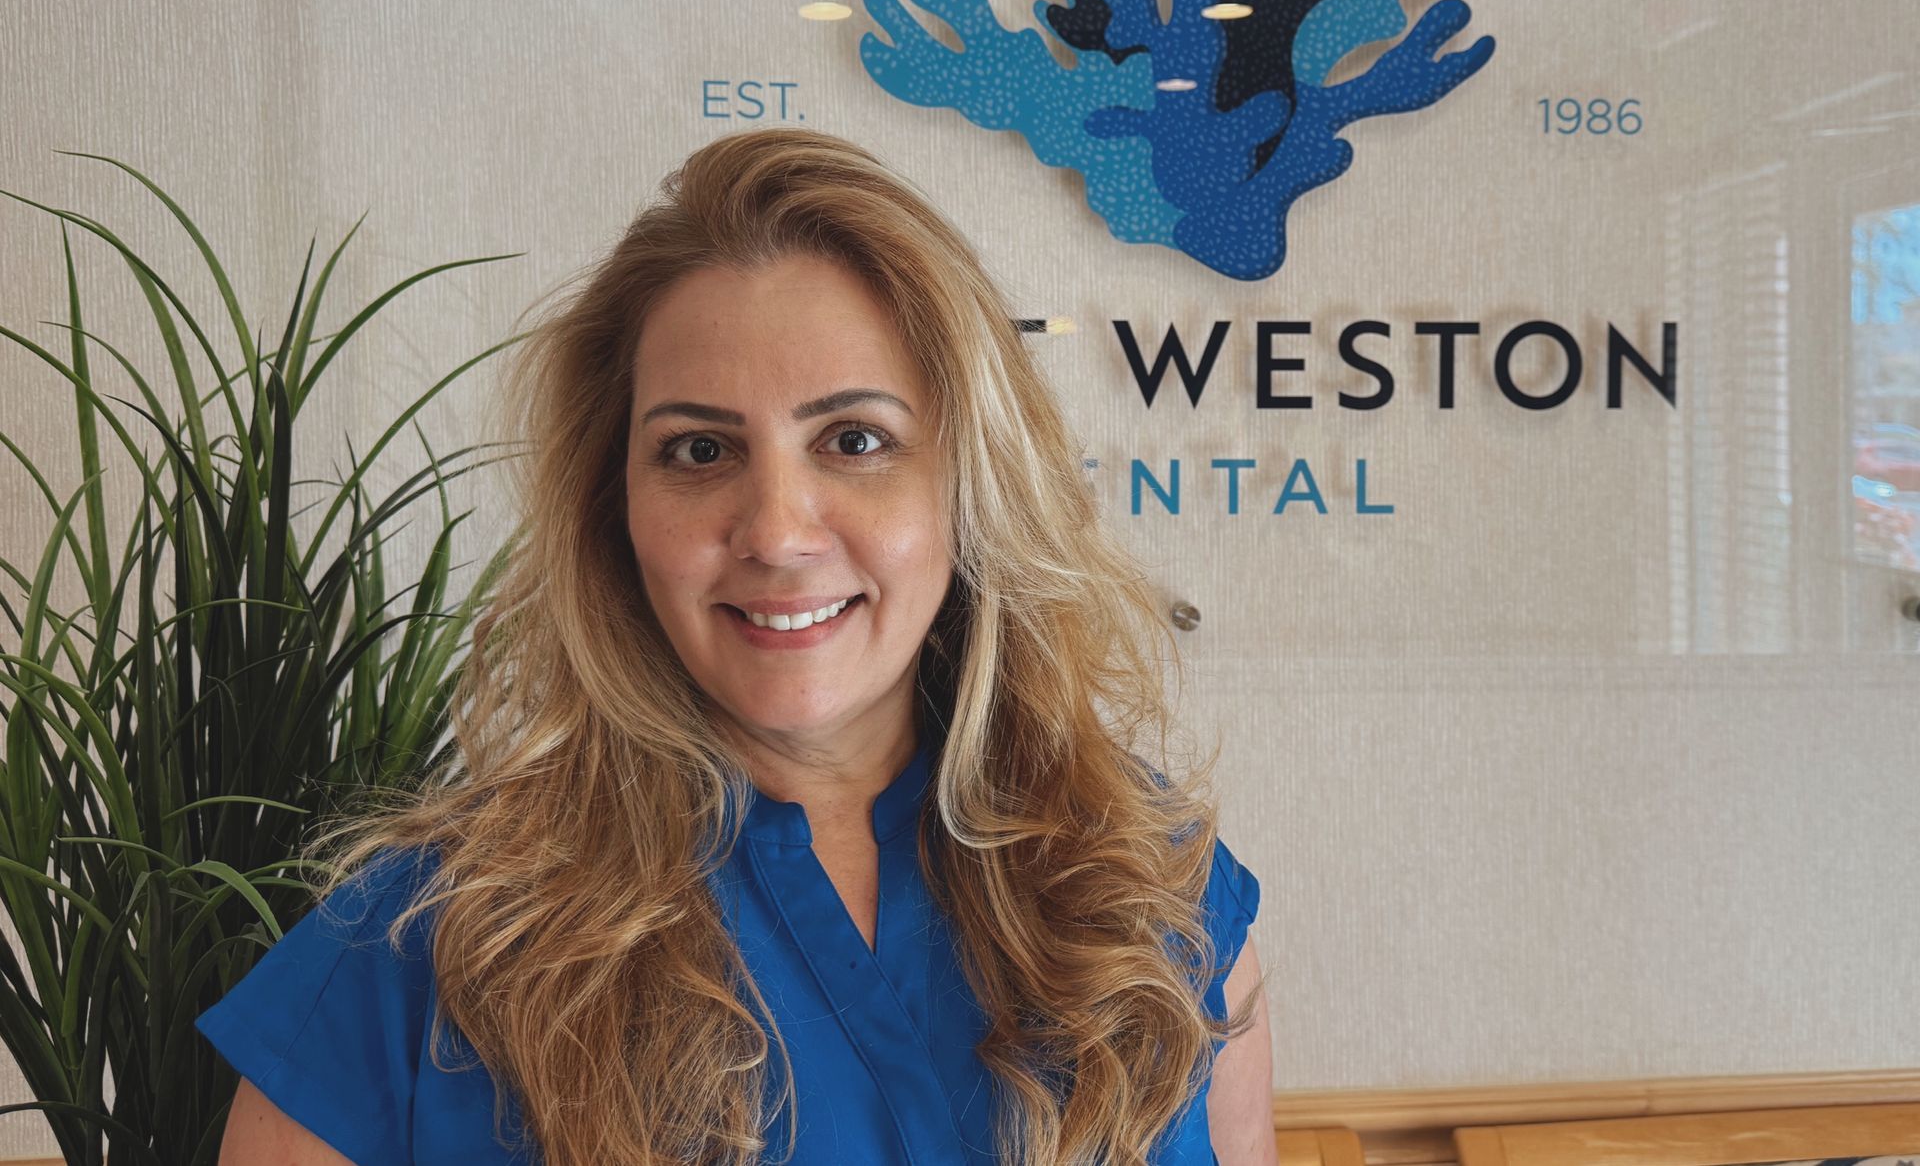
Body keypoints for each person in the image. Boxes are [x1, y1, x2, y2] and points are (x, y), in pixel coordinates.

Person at [197, 126, 1276, 1166]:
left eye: (855, 439)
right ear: (613, 506)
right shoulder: (413, 947)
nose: (776, 531)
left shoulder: (1151, 888)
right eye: (701, 450)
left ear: (971, 482)